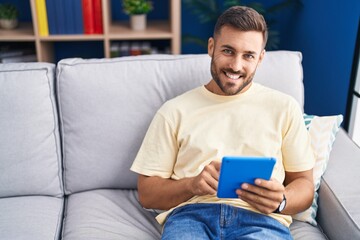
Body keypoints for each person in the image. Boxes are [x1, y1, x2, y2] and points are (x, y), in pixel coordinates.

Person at [130, 6, 315, 240]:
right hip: (191, 217)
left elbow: (304, 184)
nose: (236, 66)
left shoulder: (285, 108)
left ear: (260, 58)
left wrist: (282, 200)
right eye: (228, 51)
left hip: (263, 220)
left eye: (248, 55)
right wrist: (191, 185)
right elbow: (147, 194)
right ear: (211, 47)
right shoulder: (174, 111)